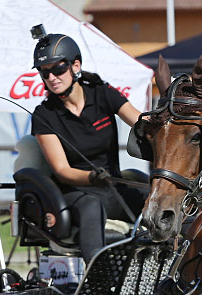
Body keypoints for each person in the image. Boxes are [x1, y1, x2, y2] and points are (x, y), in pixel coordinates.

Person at [30, 28, 145, 259]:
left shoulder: (101, 93)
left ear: (75, 66)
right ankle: (96, 283)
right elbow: (62, 171)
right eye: (45, 73)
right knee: (92, 206)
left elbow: (143, 124)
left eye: (58, 68)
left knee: (157, 199)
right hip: (76, 193)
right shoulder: (44, 115)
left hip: (113, 188)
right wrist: (92, 177)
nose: (52, 77)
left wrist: (173, 116)